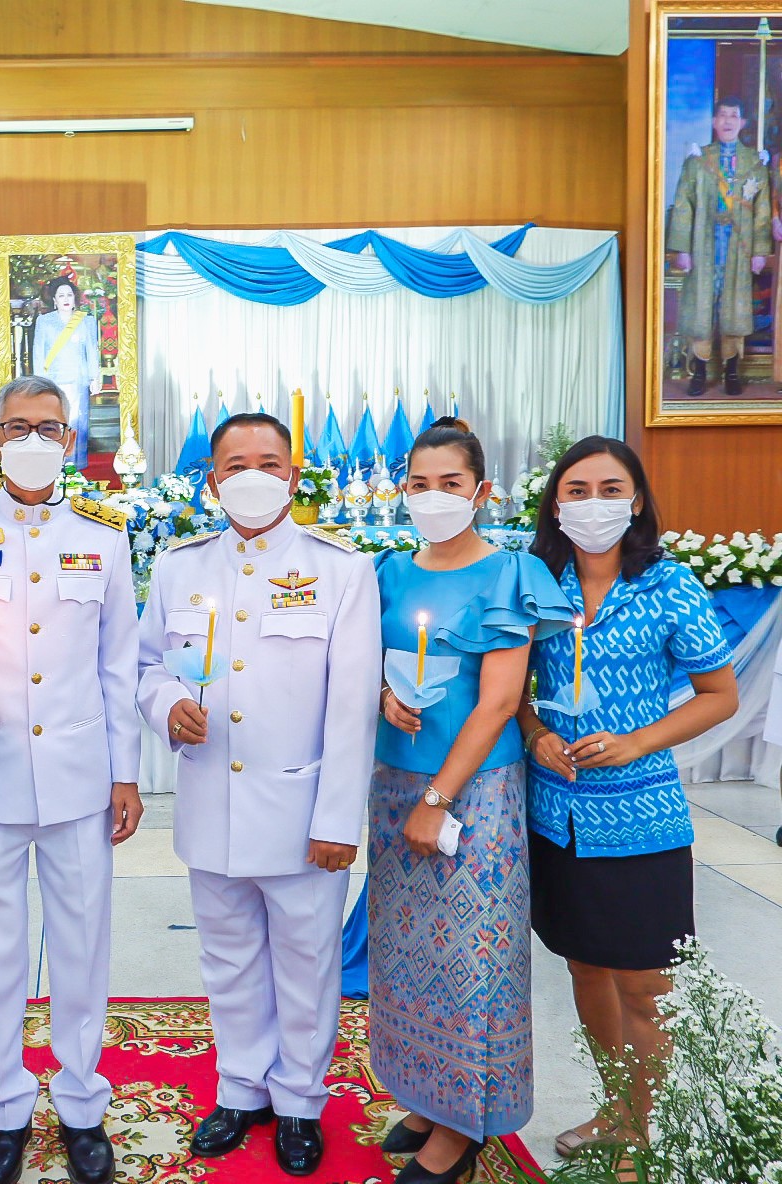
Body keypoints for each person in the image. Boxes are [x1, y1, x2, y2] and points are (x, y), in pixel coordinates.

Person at [137, 412, 382, 1177]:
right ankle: (241, 1088)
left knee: (307, 963)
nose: (252, 476)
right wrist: (166, 706)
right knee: (229, 958)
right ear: (212, 479)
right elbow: (148, 666)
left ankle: (300, 1100)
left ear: (292, 474)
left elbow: (351, 706)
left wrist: (339, 818)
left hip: (302, 813)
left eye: (268, 463)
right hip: (211, 805)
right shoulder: (179, 566)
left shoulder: (340, 569)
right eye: (235, 464)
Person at [0, 375, 142, 1184]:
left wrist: (126, 774)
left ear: (69, 438)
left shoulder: (104, 536)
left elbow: (120, 663)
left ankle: (82, 1104)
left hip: (81, 776)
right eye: (17, 427)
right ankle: (6, 1106)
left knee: (83, 944)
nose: (33, 440)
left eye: (48, 427)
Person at [520, 436, 738, 1163]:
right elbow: (509, 685)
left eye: (610, 490)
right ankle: (615, 1107)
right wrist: (535, 733)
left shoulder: (668, 584)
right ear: (556, 504)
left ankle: (643, 1128)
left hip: (641, 814)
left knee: (644, 983)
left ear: (636, 501)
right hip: (558, 814)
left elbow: (719, 694)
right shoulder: (538, 582)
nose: (593, 504)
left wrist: (638, 741)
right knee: (585, 966)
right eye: (576, 490)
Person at [368, 418, 574, 1184]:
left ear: (481, 491)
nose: (434, 497)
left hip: (472, 791)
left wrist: (438, 798)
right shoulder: (390, 572)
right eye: (419, 484)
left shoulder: (508, 575)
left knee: (469, 957)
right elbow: (367, 661)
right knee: (406, 955)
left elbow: (498, 703)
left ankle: (463, 1125)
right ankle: (426, 1096)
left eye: (450, 483)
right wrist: (383, 692)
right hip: (393, 782)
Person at [669, 94, 772, 397]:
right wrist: (683, 249)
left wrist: (759, 251)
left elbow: (763, 210)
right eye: (723, 115)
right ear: (714, 121)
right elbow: (683, 204)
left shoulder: (755, 162)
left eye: (734, 115)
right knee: (701, 308)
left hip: (738, 248)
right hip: (704, 245)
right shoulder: (698, 160)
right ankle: (699, 372)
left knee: (734, 310)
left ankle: (732, 372)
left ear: (743, 122)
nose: (728, 121)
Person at [31, 277, 101, 470]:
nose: (66, 299)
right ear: (54, 300)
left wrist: (94, 377)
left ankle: (75, 465)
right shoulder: (44, 321)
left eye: (69, 295)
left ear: (75, 298)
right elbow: (38, 353)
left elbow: (92, 351)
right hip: (52, 382)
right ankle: (53, 466)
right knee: (54, 423)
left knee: (77, 423)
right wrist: (39, 384)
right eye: (61, 295)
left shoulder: (86, 321)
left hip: (78, 380)